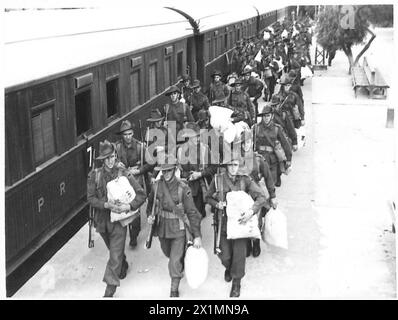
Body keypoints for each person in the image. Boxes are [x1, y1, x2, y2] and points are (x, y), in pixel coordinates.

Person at [87, 140, 146, 297]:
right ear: (102, 160)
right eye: (106, 158)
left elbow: (141, 194)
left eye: (112, 156)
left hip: (119, 221)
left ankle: (109, 291)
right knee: (115, 252)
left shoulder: (123, 173)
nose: (110, 161)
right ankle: (123, 264)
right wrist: (105, 205)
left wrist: (129, 206)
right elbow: (91, 199)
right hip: (102, 222)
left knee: (114, 256)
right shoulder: (95, 176)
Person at [205, 155, 267, 297]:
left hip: (240, 223)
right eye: (230, 165)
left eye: (236, 165)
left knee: (239, 255)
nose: (233, 168)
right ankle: (229, 267)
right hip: (223, 223)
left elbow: (261, 197)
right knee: (224, 255)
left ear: (239, 166)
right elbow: (207, 197)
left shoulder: (245, 179)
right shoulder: (218, 179)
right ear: (226, 166)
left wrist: (251, 211)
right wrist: (216, 204)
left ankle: (236, 283)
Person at [146, 154, 202, 297]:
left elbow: (192, 212)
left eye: (169, 170)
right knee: (167, 253)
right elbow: (150, 204)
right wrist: (149, 216)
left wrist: (197, 236)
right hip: (162, 227)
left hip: (179, 228)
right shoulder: (156, 186)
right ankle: (180, 261)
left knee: (174, 261)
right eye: (163, 171)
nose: (166, 174)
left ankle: (174, 289)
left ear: (175, 169)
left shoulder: (183, 187)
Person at [237, 128, 277, 258]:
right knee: (244, 217)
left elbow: (268, 178)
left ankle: (256, 243)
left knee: (257, 219)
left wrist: (273, 196)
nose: (246, 145)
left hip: (256, 192)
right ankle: (247, 243)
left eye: (248, 142)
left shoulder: (259, 159)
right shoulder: (235, 159)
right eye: (243, 143)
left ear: (252, 143)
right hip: (242, 192)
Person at [115, 120, 152, 248]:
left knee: (134, 207)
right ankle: (127, 229)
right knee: (124, 206)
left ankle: (134, 235)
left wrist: (139, 170)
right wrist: (116, 165)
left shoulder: (140, 147)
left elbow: (151, 163)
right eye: (125, 135)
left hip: (137, 181)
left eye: (130, 134)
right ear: (122, 136)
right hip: (124, 181)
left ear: (133, 133)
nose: (128, 137)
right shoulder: (117, 148)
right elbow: (111, 163)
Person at [177, 122, 217, 218]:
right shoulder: (181, 150)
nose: (197, 139)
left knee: (199, 215)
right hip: (186, 187)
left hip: (200, 187)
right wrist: (186, 176)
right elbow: (179, 170)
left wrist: (200, 174)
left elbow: (214, 167)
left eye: (198, 136)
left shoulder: (204, 149)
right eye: (194, 137)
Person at [253, 105, 292, 187]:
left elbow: (285, 144)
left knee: (271, 183)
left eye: (268, 115)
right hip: (260, 158)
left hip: (272, 160)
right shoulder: (256, 128)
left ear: (272, 116)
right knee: (258, 183)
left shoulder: (277, 129)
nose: (266, 118)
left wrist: (288, 159)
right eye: (264, 116)